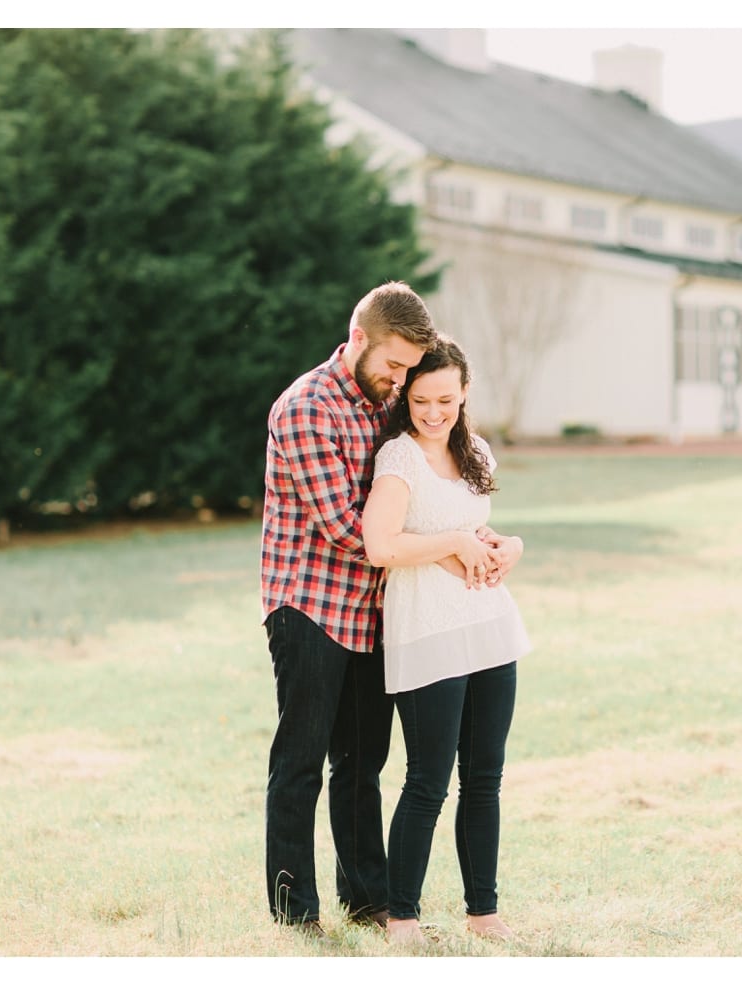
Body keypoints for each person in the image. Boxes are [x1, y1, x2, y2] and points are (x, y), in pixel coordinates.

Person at [260, 282, 505, 935]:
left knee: (362, 763)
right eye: (393, 366)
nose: (400, 381)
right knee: (301, 760)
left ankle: (366, 898)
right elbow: (348, 528)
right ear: (359, 337)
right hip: (309, 604)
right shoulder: (305, 408)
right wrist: (456, 553)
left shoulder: (384, 403)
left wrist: (469, 538)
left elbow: (424, 492)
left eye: (408, 369)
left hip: (374, 611)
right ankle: (294, 910)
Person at [362, 337, 530, 945]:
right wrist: (456, 545)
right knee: (428, 779)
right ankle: (402, 917)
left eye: (446, 400)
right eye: (421, 400)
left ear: (464, 395)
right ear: (405, 398)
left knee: (485, 776)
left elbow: (473, 526)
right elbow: (383, 547)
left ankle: (483, 913)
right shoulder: (399, 459)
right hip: (427, 630)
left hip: (488, 627)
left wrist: (509, 545)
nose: (434, 412)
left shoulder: (476, 450)